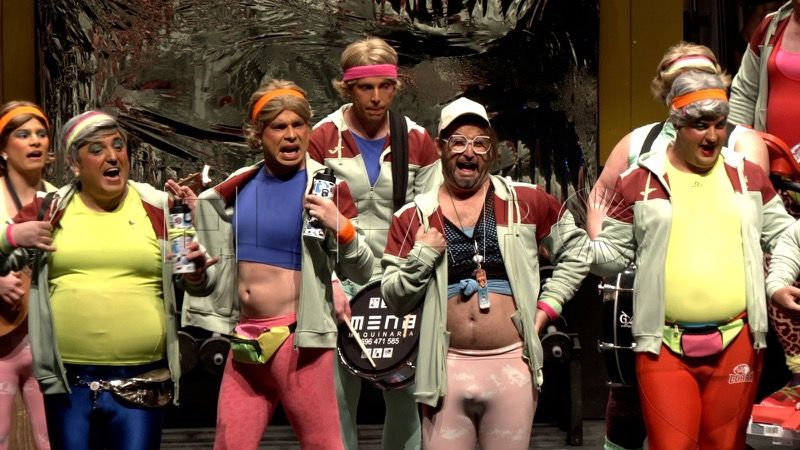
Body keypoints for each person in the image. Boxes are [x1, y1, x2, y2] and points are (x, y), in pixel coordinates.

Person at [591, 70, 795, 450]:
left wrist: (778, 282)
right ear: (676, 122)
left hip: (738, 342)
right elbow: (612, 256)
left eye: (719, 124)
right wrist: (572, 245)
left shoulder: (747, 175)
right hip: (663, 347)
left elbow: (786, 234)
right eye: (700, 125)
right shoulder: (640, 179)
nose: (713, 136)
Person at [0, 110, 217, 450]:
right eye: (97, 149)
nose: (113, 156)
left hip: (143, 382)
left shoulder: (160, 206)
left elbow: (196, 279)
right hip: (68, 385)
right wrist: (12, 237)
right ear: (75, 164)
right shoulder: (49, 210)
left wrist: (198, 272)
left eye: (118, 146)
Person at [380, 97, 589, 450]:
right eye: (458, 142)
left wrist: (547, 308)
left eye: (479, 143)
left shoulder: (527, 201)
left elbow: (578, 252)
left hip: (511, 366)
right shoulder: (413, 217)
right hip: (444, 370)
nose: (469, 152)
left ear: (490, 151)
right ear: (440, 147)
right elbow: (393, 297)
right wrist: (423, 255)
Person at [189, 79, 374, 449]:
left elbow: (363, 270)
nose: (291, 135)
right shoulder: (237, 186)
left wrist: (342, 226)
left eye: (298, 124)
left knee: (323, 445)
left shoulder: (326, 187)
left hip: (297, 341)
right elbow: (210, 277)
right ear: (258, 134)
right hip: (245, 341)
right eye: (279, 126)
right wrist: (195, 273)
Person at [308, 36, 440, 450]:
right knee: (336, 400)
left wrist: (414, 279)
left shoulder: (416, 139)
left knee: (406, 396)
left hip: (397, 279)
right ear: (348, 87)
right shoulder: (322, 136)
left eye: (385, 86)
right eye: (366, 87)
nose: (377, 97)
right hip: (338, 280)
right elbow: (309, 217)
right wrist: (327, 281)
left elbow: (430, 217)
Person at [729, 0, 800, 407]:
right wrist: (740, 156)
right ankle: (795, 375)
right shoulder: (773, 26)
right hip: (775, 180)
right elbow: (742, 96)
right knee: (776, 270)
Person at [0, 101, 54, 449]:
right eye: (23, 134)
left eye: (41, 134)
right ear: (3, 149)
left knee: (51, 441)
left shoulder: (59, 200)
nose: (35, 141)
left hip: (47, 345)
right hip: (2, 343)